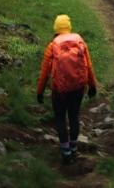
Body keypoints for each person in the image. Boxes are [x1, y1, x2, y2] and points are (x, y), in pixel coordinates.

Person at [37, 14, 97, 164]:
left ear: (56, 29)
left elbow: (45, 72)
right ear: (69, 28)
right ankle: (74, 148)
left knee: (60, 119)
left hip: (59, 90)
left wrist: (40, 91)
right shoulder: (79, 42)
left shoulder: (52, 46)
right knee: (74, 117)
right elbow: (88, 66)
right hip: (78, 88)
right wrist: (92, 86)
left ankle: (65, 152)